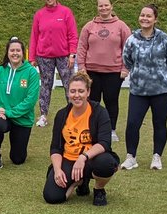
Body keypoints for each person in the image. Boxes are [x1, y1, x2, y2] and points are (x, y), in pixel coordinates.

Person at [42, 71, 120, 206]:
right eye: (72, 91)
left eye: (81, 91)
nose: (76, 95)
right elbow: (56, 147)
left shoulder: (99, 112)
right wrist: (57, 170)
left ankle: (99, 190)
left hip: (90, 159)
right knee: (52, 197)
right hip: (68, 159)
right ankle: (78, 182)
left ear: (88, 92)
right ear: (68, 93)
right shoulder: (61, 115)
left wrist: (83, 157)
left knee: (106, 163)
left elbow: (104, 143)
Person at [120, 5, 167, 172]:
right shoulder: (132, 40)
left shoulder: (165, 39)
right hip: (138, 91)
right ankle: (131, 157)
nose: (145, 19)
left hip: (162, 91)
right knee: (132, 123)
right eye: (142, 15)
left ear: (155, 19)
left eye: (148, 16)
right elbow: (127, 60)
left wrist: (163, 75)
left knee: (159, 123)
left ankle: (157, 156)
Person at [77, 0, 132, 141]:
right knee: (92, 101)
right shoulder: (89, 26)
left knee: (111, 100)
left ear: (111, 6)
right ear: (97, 8)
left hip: (113, 72)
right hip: (92, 71)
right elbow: (82, 47)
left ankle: (111, 129)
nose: (104, 8)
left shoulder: (121, 26)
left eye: (106, 5)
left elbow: (128, 48)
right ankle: (92, 128)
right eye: (101, 6)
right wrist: (81, 67)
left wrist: (125, 68)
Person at [0, 37, 40, 168]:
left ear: (23, 53)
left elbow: (30, 100)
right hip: (1, 114)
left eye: (18, 50)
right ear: (7, 53)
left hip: (22, 118)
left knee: (18, 159)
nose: (15, 53)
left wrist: (10, 112)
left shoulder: (31, 73)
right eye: (12, 50)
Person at [29, 0, 79, 127]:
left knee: (69, 85)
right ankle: (43, 115)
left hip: (64, 56)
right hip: (44, 57)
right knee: (45, 85)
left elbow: (73, 34)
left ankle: (73, 114)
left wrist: (72, 53)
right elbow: (34, 36)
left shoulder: (66, 12)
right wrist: (32, 58)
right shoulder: (39, 14)